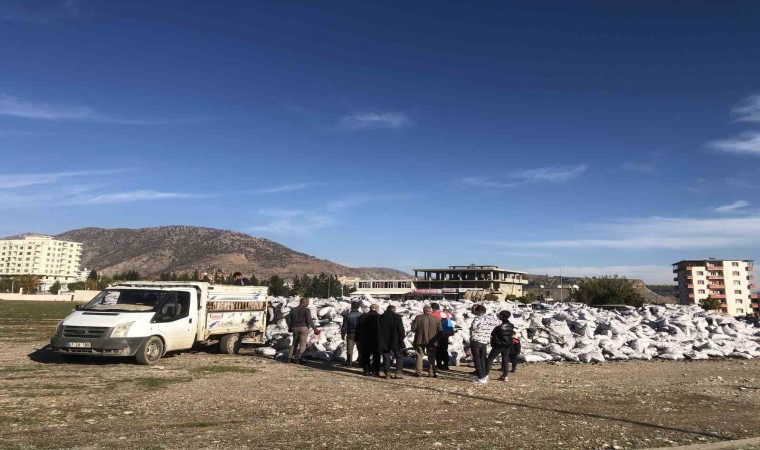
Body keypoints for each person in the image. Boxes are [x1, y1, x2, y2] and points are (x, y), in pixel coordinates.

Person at [469, 304, 500, 384]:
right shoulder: (491, 319)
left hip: (476, 340)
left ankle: (481, 377)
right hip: (485, 341)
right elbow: (496, 325)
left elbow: (474, 328)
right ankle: (484, 375)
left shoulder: (478, 318)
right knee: (483, 358)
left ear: (478, 311)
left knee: (477, 359)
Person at [411, 305, 442, 378]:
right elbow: (440, 331)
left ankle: (419, 372)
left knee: (419, 356)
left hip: (420, 340)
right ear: (431, 311)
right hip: (433, 341)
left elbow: (413, 328)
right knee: (432, 357)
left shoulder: (418, 318)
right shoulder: (437, 319)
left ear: (424, 311)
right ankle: (431, 373)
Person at [286, 297, 320, 363]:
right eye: (307, 302)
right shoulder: (306, 310)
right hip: (304, 328)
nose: (308, 303)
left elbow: (289, 320)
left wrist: (290, 328)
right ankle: (299, 359)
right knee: (302, 344)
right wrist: (315, 329)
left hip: (295, 328)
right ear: (304, 302)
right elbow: (309, 320)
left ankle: (289, 358)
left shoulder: (293, 310)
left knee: (294, 343)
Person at [485, 310, 515, 382]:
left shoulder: (498, 327)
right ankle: (505, 376)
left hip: (498, 345)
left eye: (500, 315)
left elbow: (492, 334)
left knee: (490, 359)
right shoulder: (511, 326)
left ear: (502, 316)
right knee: (505, 359)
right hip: (507, 344)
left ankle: (485, 375)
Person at [378, 304, 406, 379]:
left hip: (383, 339)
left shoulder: (381, 317)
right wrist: (402, 337)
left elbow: (378, 329)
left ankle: (387, 373)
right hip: (396, 339)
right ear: (394, 310)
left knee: (386, 355)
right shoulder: (397, 317)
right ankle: (398, 372)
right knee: (399, 355)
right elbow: (400, 329)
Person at [355, 304, 381, 376]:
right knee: (376, 355)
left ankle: (366, 370)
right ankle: (375, 371)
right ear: (376, 308)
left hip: (364, 339)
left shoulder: (362, 316)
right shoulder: (379, 317)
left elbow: (357, 328)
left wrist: (356, 338)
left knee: (365, 355)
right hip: (375, 339)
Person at [431, 302, 455, 371]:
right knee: (444, 349)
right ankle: (446, 365)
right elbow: (449, 323)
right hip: (446, 334)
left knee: (438, 349)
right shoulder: (446, 313)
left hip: (438, 334)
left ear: (433, 308)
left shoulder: (433, 314)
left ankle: (439, 364)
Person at [341, 301, 363, 367]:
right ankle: (360, 363)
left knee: (350, 349)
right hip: (359, 334)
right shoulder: (361, 315)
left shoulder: (347, 316)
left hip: (350, 333)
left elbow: (344, 326)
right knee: (360, 348)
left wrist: (343, 334)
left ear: (351, 307)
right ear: (358, 307)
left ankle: (349, 362)